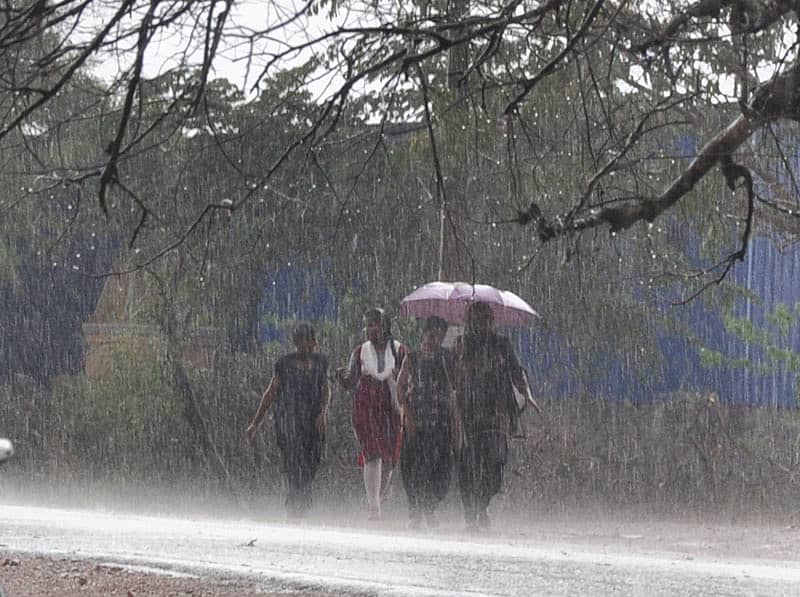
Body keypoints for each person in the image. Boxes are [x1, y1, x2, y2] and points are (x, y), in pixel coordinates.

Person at [455, 301, 531, 530]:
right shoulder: (462, 344)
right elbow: (452, 374)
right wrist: (459, 360)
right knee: (468, 465)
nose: (483, 324)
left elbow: (517, 371)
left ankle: (481, 505)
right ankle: (472, 512)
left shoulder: (502, 344)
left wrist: (526, 393)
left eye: (487, 320)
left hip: (496, 412)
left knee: (496, 463)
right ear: (471, 322)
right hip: (469, 411)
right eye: (478, 320)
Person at [245, 323, 330, 520]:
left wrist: (323, 412)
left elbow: (326, 389)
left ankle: (301, 500)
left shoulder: (321, 362)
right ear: (298, 343)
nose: (312, 347)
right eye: (308, 343)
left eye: (313, 343)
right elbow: (271, 393)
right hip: (289, 422)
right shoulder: (284, 365)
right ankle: (295, 505)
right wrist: (255, 424)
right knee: (294, 464)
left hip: (314, 423)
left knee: (311, 464)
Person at [336, 308, 407, 520]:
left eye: (373, 325)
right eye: (367, 325)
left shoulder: (399, 350)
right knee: (372, 452)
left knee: (389, 458)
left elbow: (409, 376)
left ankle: (377, 500)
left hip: (391, 406)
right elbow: (351, 381)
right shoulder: (359, 352)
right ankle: (373, 507)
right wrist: (342, 377)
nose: (369, 329)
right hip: (365, 405)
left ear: (384, 326)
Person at [396, 315, 457, 528]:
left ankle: (430, 508)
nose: (435, 340)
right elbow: (400, 388)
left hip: (440, 424)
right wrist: (407, 414)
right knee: (412, 468)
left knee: (440, 469)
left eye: (440, 336)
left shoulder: (447, 358)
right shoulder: (411, 358)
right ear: (424, 335)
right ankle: (415, 511)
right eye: (432, 335)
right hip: (416, 423)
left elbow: (456, 383)